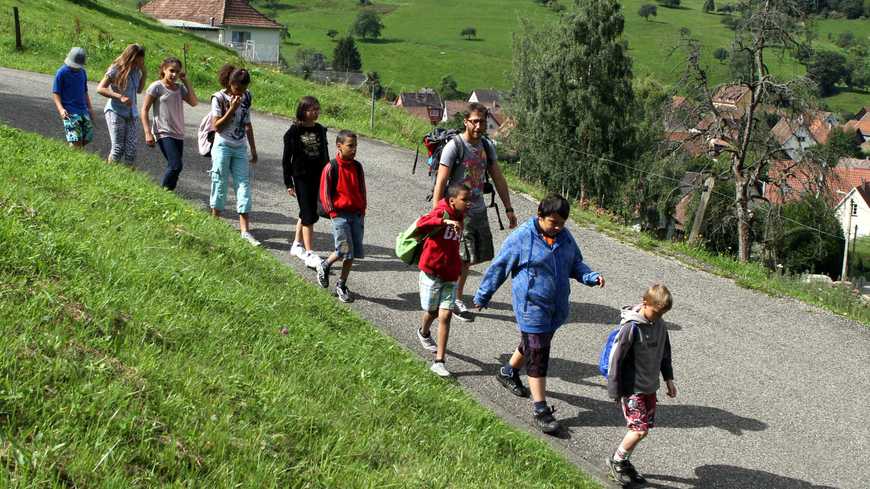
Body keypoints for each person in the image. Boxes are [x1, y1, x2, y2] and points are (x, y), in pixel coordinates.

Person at [473, 194, 605, 434]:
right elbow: (499, 267)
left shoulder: (564, 237)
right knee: (539, 354)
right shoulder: (522, 238)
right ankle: (541, 409)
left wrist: (589, 276)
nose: (557, 227)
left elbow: (575, 263)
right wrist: (483, 295)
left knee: (534, 344)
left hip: (556, 309)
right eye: (552, 222)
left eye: (562, 223)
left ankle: (508, 371)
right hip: (531, 307)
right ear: (539, 216)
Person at [431, 102, 517, 323]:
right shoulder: (455, 146)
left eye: (482, 122)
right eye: (475, 121)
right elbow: (441, 180)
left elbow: (498, 177)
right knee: (464, 257)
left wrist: (508, 208)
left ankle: (447, 289)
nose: (479, 126)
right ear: (466, 122)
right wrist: (437, 214)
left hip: (478, 209)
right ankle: (456, 299)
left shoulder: (487, 147)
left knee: (473, 256)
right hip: (457, 211)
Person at [605, 284, 676, 487]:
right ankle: (617, 460)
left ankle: (623, 459)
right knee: (639, 430)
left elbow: (665, 353)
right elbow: (616, 358)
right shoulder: (631, 327)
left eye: (663, 314)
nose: (658, 317)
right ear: (646, 303)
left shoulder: (660, 325)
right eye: (656, 312)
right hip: (631, 388)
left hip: (649, 387)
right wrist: (614, 388)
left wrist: (668, 379)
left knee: (643, 429)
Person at [414, 183, 472, 377]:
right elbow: (422, 223)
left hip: (450, 274)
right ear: (452, 200)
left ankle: (439, 361)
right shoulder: (442, 211)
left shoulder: (461, 216)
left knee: (445, 315)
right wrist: (444, 222)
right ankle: (423, 332)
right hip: (432, 271)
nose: (468, 203)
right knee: (431, 311)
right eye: (465, 199)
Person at [208, 64, 259, 247]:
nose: (240, 92)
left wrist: (252, 149)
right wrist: (231, 108)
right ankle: (215, 223)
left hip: (239, 146)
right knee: (219, 181)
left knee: (243, 184)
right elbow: (217, 126)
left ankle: (245, 230)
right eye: (237, 88)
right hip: (222, 145)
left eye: (243, 89)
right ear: (230, 83)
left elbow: (247, 124)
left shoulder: (247, 96)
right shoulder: (219, 98)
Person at [316, 130, 366, 303]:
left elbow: (362, 189)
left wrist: (362, 209)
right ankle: (326, 266)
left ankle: (341, 283)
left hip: (356, 215)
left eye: (355, 146)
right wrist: (333, 213)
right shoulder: (331, 167)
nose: (354, 149)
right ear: (339, 146)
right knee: (344, 249)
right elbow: (324, 193)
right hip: (340, 215)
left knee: (352, 254)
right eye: (350, 146)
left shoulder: (357, 167)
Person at [282, 96, 329, 268]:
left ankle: (296, 245)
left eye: (317, 109)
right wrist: (288, 183)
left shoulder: (321, 130)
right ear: (303, 111)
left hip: (319, 176)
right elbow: (286, 159)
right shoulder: (293, 132)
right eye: (312, 109)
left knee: (307, 211)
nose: (315, 112)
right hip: (301, 177)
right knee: (309, 214)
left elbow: (325, 155)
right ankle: (310, 253)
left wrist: (329, 175)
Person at [140, 56, 198, 191]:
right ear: (164, 69)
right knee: (175, 165)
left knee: (175, 168)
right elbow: (144, 110)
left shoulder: (180, 88)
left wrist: (186, 81)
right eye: (171, 70)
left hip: (178, 133)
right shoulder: (156, 87)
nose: (174, 74)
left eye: (177, 72)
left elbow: (194, 103)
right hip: (163, 131)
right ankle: (162, 193)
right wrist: (148, 133)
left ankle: (169, 194)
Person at [97, 44, 146, 164]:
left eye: (140, 62)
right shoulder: (115, 69)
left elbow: (139, 90)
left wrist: (144, 74)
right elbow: (100, 88)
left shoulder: (137, 71)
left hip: (131, 113)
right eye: (136, 62)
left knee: (131, 150)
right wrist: (120, 97)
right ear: (130, 58)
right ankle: (110, 174)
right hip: (115, 111)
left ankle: (127, 176)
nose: (138, 65)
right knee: (118, 148)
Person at [51, 47, 94, 149]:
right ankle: (74, 155)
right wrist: (61, 109)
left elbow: (85, 91)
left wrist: (90, 108)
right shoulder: (61, 72)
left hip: (83, 110)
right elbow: (56, 93)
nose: (75, 67)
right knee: (75, 139)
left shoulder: (82, 72)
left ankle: (76, 152)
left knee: (88, 136)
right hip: (69, 112)